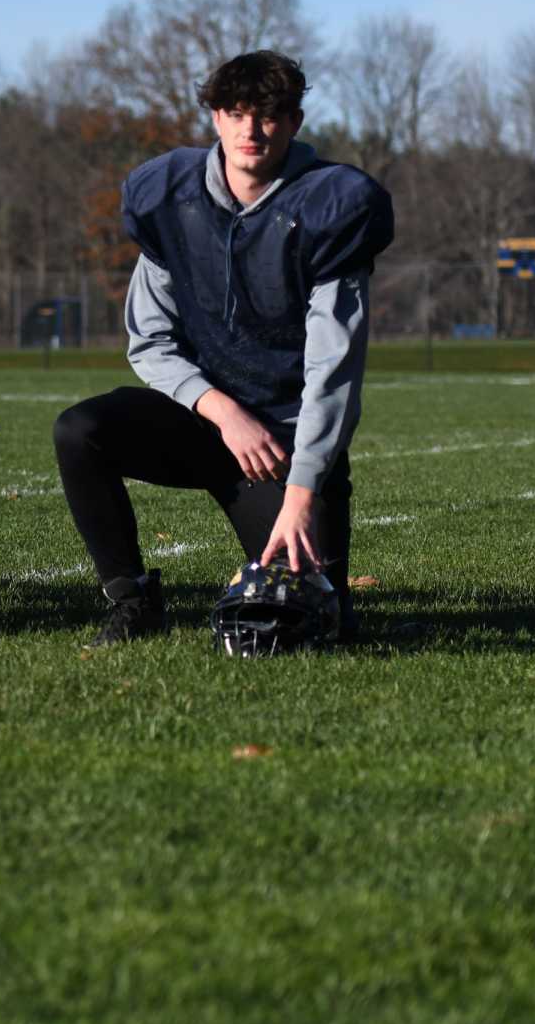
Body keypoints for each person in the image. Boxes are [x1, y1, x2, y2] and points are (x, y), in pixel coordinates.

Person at [52, 50, 394, 647]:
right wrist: (223, 412)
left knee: (310, 616)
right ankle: (132, 599)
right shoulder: (171, 197)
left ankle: (320, 573)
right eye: (236, 113)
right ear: (215, 118)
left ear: (294, 122)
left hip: (280, 443)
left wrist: (302, 492)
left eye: (268, 115)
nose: (250, 130)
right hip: (202, 421)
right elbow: (150, 339)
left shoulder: (328, 205)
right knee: (80, 430)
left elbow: (333, 372)